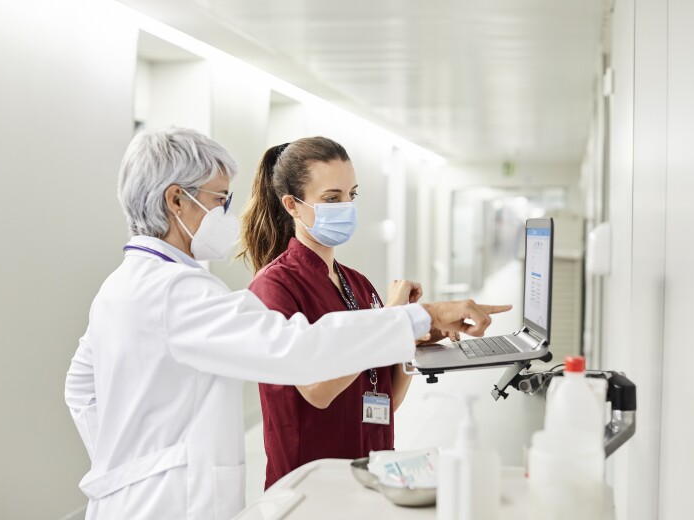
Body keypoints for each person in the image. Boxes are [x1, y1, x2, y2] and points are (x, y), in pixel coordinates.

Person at [64, 127, 511, 520]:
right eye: (220, 198)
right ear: (176, 199)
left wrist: (126, 461)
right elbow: (301, 353)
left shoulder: (122, 286)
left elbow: (80, 387)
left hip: (138, 497)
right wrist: (418, 317)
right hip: (168, 504)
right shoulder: (178, 292)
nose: (226, 212)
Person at [238, 137, 508, 489]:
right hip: (311, 483)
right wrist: (393, 319)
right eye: (332, 198)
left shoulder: (358, 284)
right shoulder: (274, 287)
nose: (347, 206)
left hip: (374, 469)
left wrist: (412, 338)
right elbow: (318, 391)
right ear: (292, 205)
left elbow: (388, 399)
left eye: (352, 194)